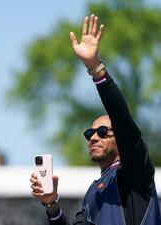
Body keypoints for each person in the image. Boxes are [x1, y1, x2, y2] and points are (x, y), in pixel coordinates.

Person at [30, 14, 161, 225]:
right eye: (90, 133)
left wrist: (95, 68)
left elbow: (122, 118)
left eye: (102, 132)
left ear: (120, 139)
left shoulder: (135, 173)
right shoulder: (93, 192)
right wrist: (51, 204)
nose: (92, 138)